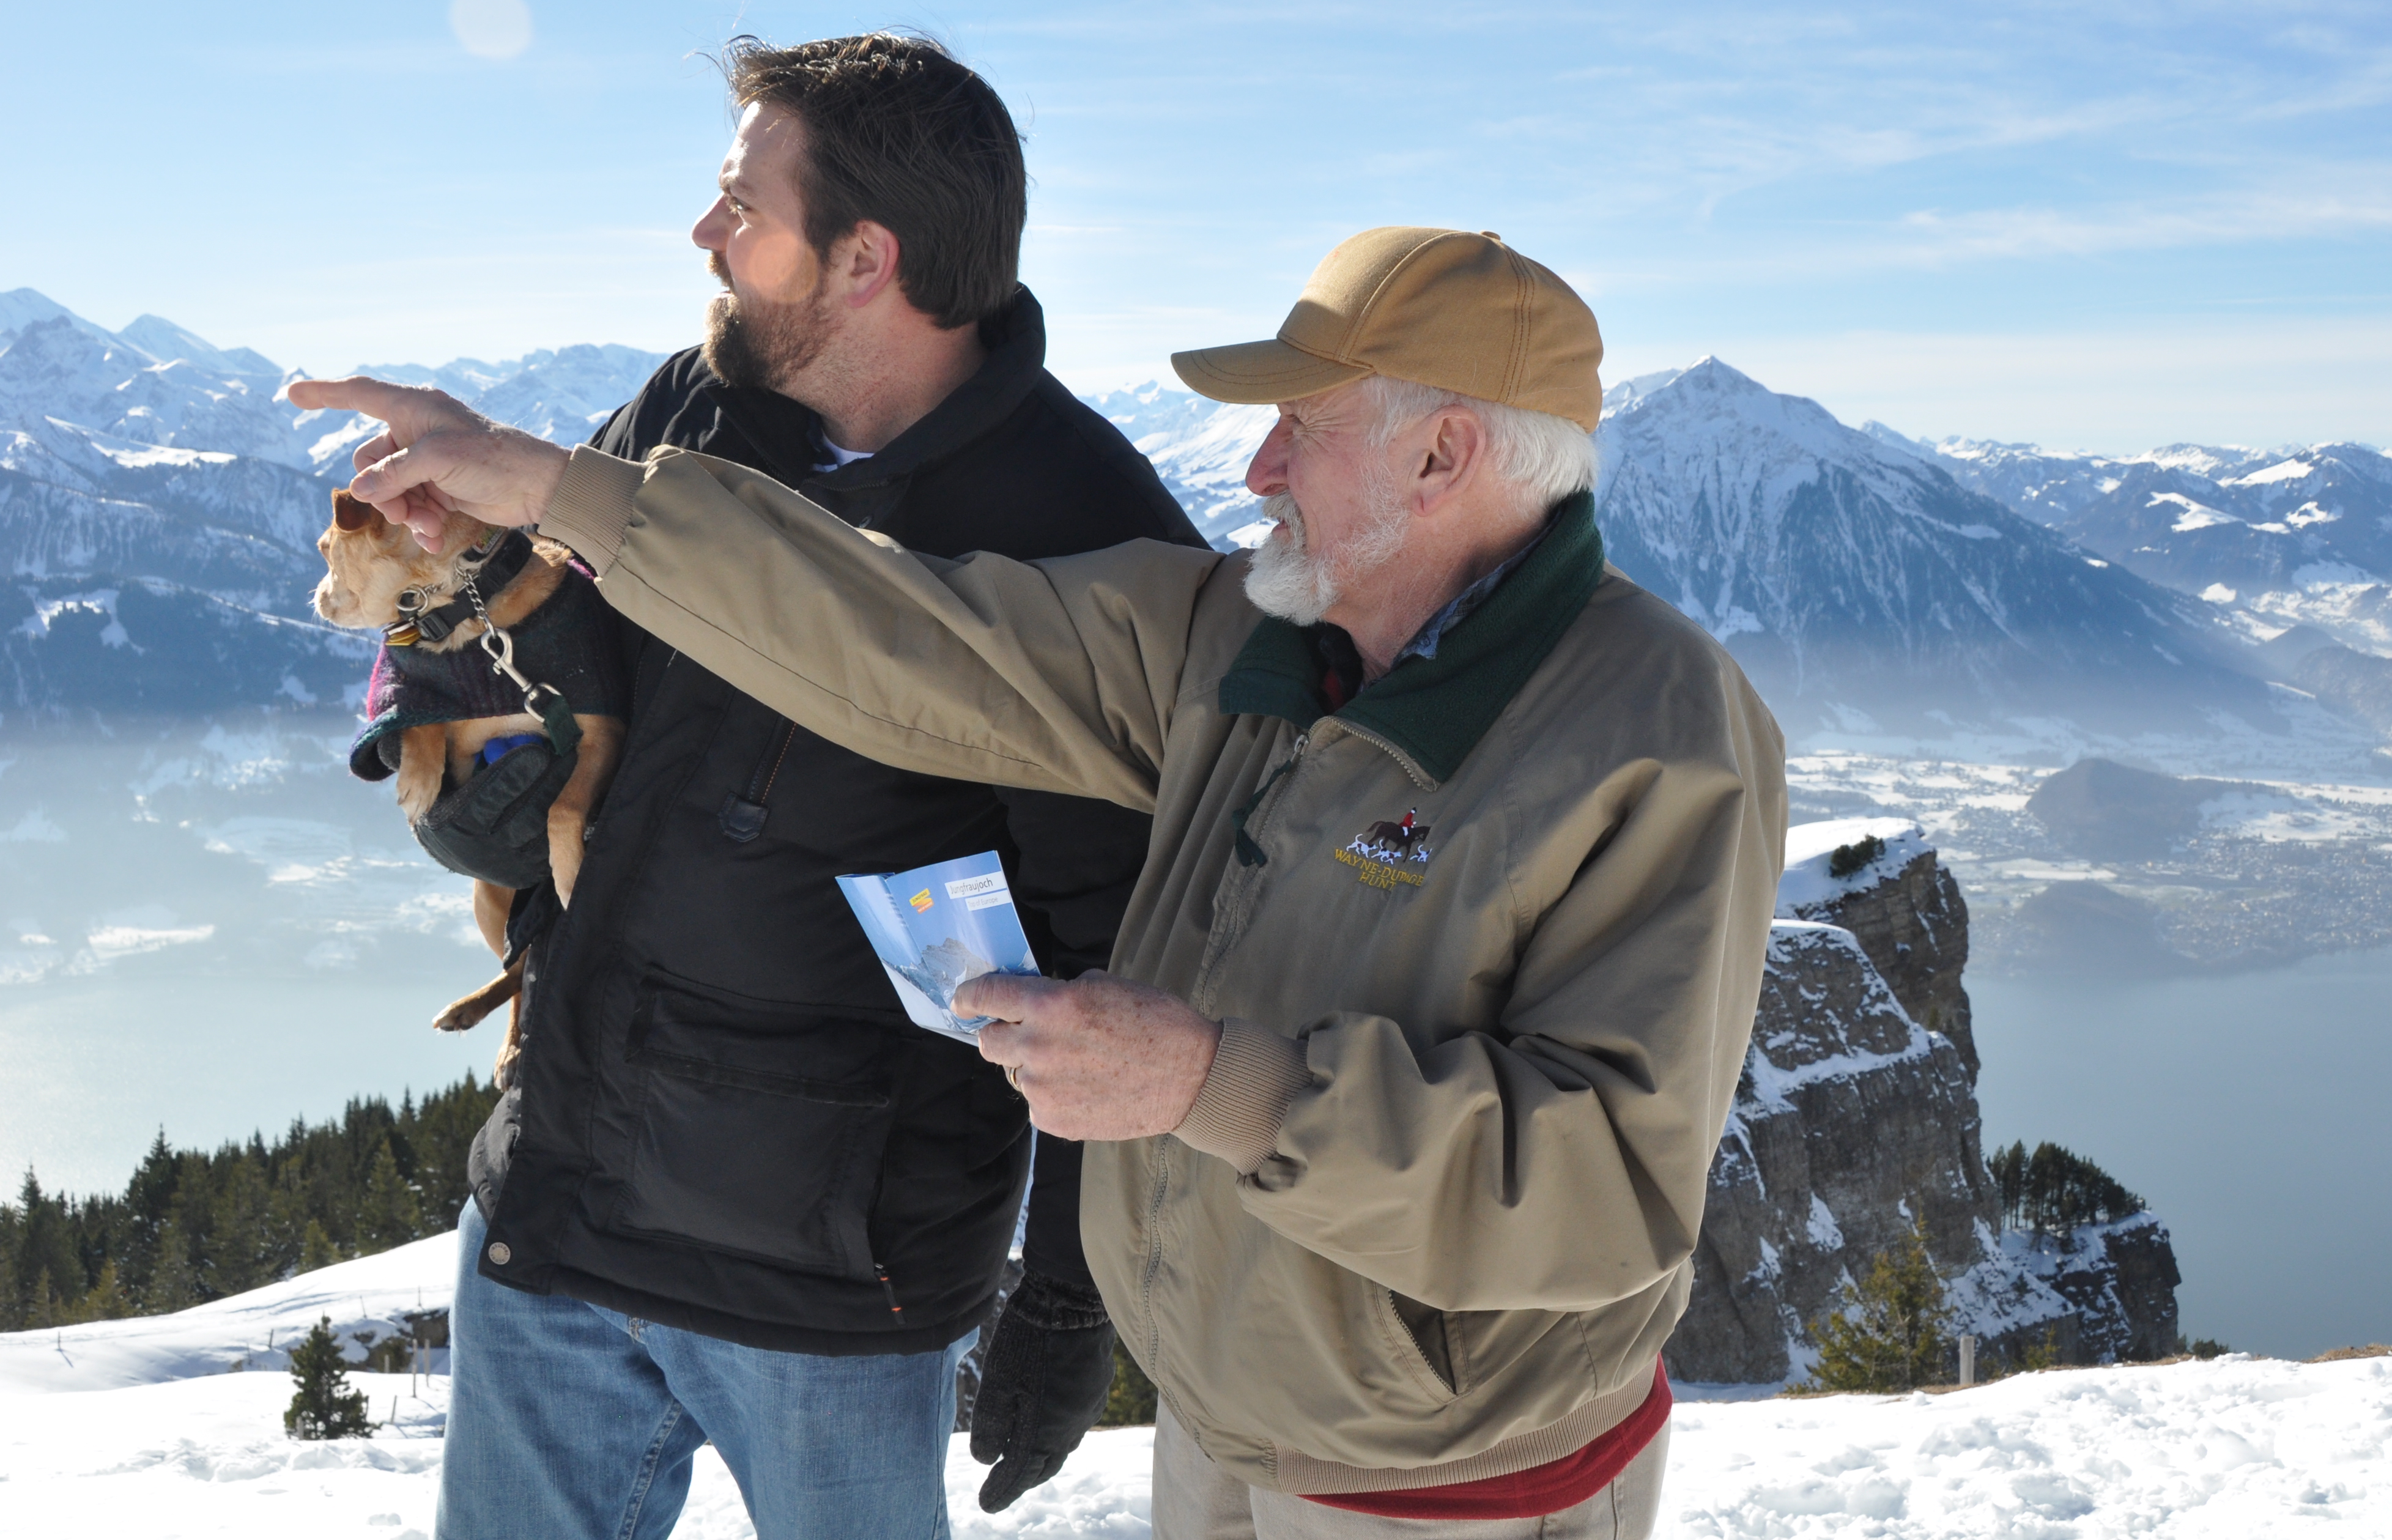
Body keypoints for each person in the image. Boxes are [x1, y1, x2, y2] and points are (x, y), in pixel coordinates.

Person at [298, 224, 1789, 1540]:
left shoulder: (1649, 730)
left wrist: (1218, 1081)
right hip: (1227, 1412)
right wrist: (556, 492)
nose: (1255, 466)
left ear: (1443, 454)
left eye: (1298, 428)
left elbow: (1599, 1190)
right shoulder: (1237, 636)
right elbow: (903, 637)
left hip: (1448, 1477)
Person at [386, 32, 1205, 1540]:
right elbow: (561, 669)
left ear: (863, 261)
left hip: (831, 1277)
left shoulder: (1082, 535)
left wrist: (1071, 1296)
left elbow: (1122, 959)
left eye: (738, 204)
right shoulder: (691, 412)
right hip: (560, 1200)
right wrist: (445, 696)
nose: (704, 236)